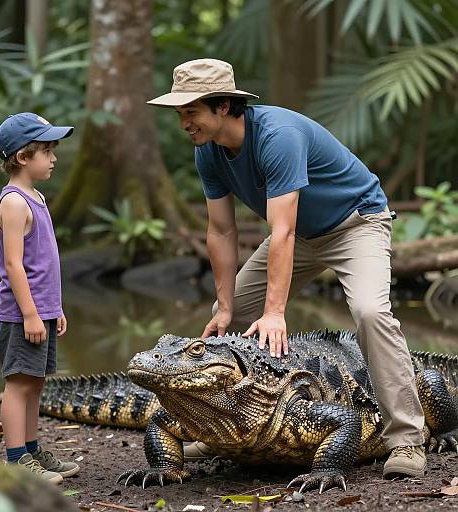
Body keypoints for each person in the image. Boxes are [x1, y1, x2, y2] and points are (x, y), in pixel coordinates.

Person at [147, 59, 426, 479]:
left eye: (191, 112)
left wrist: (275, 312)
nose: (184, 123)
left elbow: (283, 231)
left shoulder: (278, 136)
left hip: (356, 223)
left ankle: (405, 440)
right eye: (180, 114)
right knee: (230, 319)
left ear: (223, 106)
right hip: (301, 236)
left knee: (371, 313)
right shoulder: (209, 153)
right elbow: (221, 231)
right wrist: (224, 306)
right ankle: (228, 429)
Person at [0, 113, 80, 483]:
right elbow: (14, 265)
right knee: (19, 382)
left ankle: (30, 449)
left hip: (40, 309)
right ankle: (16, 461)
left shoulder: (36, 196)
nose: (54, 158)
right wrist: (29, 313)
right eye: (47, 151)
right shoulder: (14, 203)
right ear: (24, 157)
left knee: (37, 380)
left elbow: (43, 260)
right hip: (19, 312)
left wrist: (52, 309)